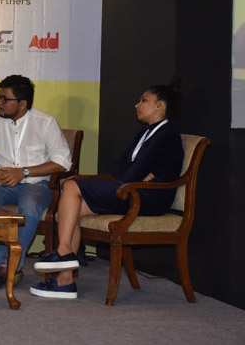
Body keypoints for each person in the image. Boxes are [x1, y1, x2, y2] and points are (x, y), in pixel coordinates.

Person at [31, 79, 185, 299]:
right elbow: (120, 166)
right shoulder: (144, 133)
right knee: (71, 211)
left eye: (144, 100)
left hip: (150, 198)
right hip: (133, 189)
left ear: (160, 106)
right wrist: (137, 174)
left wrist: (138, 175)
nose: (137, 105)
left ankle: (63, 252)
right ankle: (65, 281)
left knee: (72, 184)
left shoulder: (167, 134)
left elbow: (135, 171)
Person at [0, 74, 72, 289]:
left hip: (36, 184)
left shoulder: (45, 122)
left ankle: (9, 266)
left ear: (22, 104)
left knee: (30, 206)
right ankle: (4, 265)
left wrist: (24, 172)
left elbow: (62, 162)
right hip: (0, 183)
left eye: (5, 99)